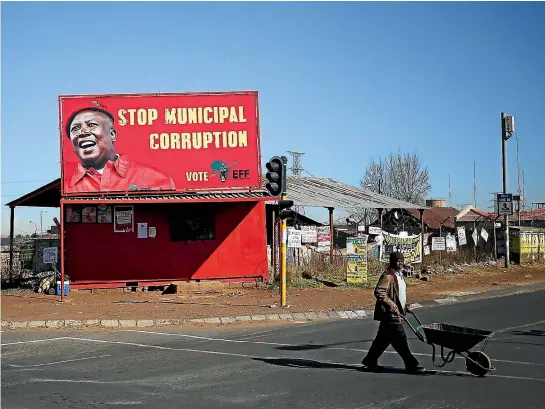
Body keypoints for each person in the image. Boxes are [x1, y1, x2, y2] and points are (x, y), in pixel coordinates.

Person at [64, 103, 175, 193]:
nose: (82, 132)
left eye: (91, 125)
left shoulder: (155, 179)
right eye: (75, 128)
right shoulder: (66, 187)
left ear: (112, 135)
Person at [361, 251, 426, 374]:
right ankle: (411, 365)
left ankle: (370, 360)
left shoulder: (400, 275)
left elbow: (398, 294)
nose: (400, 263)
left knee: (382, 340)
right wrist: (391, 304)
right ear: (392, 261)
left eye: (402, 261)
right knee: (400, 339)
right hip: (390, 314)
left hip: (396, 312)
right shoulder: (388, 275)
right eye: (398, 261)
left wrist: (404, 306)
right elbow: (379, 292)